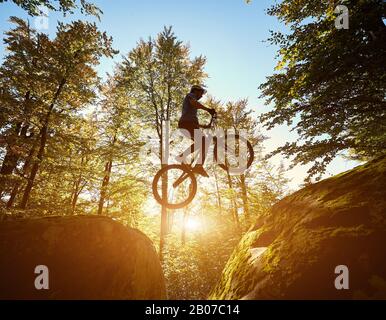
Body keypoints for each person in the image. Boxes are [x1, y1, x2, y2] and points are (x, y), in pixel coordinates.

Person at [178, 85, 216, 177]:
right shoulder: (191, 95)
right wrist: (208, 110)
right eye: (201, 93)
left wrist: (203, 126)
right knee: (204, 141)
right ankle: (197, 165)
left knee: (202, 142)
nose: (202, 96)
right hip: (187, 124)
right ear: (196, 91)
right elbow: (194, 103)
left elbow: (190, 117)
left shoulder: (192, 107)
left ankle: (183, 157)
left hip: (188, 124)